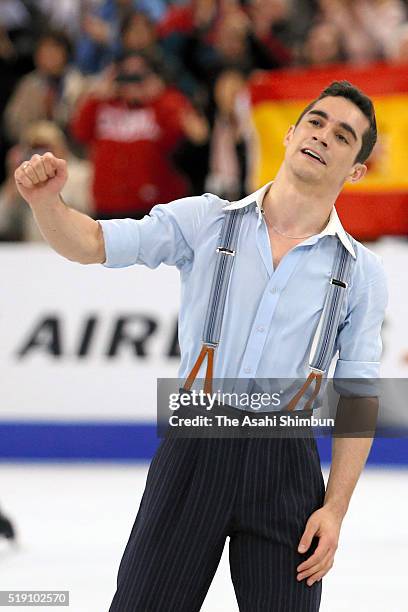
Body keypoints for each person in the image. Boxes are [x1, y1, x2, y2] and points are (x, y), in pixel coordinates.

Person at [14, 80, 387, 611]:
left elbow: (359, 396)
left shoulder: (361, 272)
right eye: (317, 122)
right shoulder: (206, 220)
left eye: (343, 136)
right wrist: (47, 203)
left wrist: (336, 508)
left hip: (287, 467)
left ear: (355, 170)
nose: (323, 136)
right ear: (289, 133)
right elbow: (93, 243)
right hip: (194, 450)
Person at [71, 51, 208, 220]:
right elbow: (80, 133)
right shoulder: (101, 104)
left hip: (157, 206)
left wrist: (157, 97)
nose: (132, 83)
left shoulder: (166, 102)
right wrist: (95, 97)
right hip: (108, 204)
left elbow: (193, 134)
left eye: (139, 75)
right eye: (126, 75)